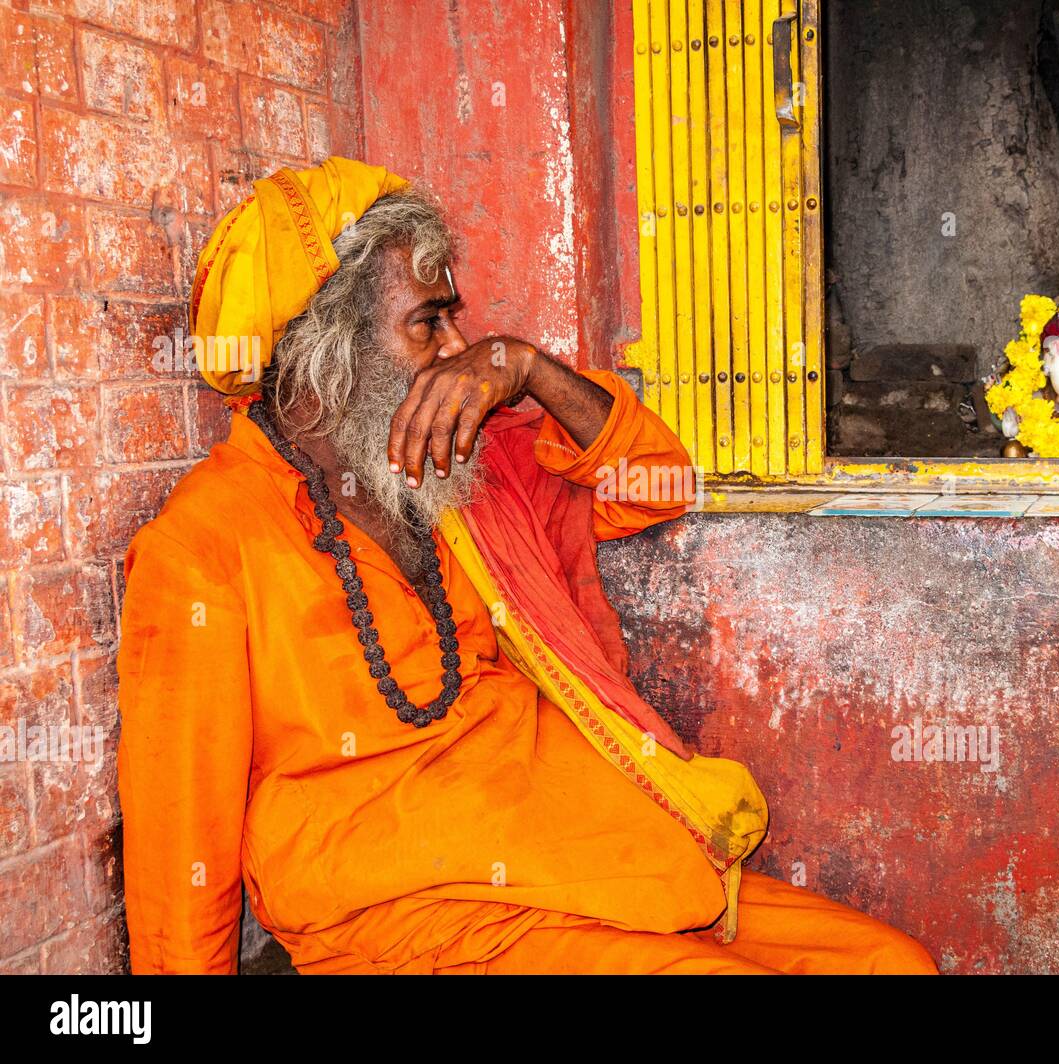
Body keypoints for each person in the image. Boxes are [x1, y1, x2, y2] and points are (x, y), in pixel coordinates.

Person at [116, 157, 938, 975]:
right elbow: (177, 864)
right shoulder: (205, 547)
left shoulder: (465, 465)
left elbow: (660, 482)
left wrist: (529, 370)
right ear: (329, 350)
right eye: (426, 323)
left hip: (585, 854)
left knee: (892, 964)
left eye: (457, 321)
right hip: (414, 924)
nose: (458, 348)